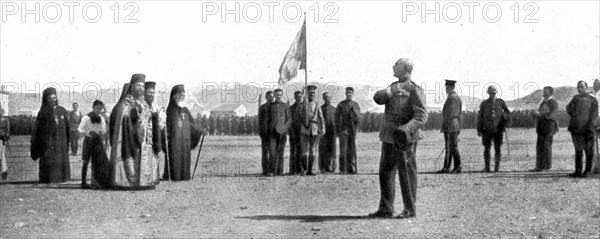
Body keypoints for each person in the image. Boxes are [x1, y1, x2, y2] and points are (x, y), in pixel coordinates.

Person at [369, 58, 427, 219]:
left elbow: (422, 115)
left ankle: (410, 209)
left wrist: (406, 129)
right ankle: (386, 208)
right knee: (385, 172)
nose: (393, 67)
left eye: (396, 65)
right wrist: (391, 91)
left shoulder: (415, 89)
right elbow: (378, 98)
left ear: (405, 68)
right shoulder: (393, 86)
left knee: (406, 173)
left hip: (405, 139)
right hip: (388, 136)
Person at [109, 74, 159, 189]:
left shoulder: (144, 103)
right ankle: (130, 182)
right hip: (129, 136)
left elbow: (148, 117)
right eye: (138, 85)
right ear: (132, 87)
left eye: (142, 86)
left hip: (145, 137)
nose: (140, 88)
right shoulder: (127, 103)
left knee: (144, 158)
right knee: (131, 160)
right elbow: (124, 117)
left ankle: (144, 181)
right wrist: (133, 115)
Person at [30, 87, 71, 183]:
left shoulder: (62, 110)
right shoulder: (42, 112)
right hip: (47, 143)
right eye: (49, 98)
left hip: (61, 142)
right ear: (45, 99)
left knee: (61, 159)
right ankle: (48, 179)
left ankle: (63, 178)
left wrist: (68, 141)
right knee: (48, 160)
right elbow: (37, 129)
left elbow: (67, 127)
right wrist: (36, 142)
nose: (52, 100)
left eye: (54, 98)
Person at [164, 84, 204, 181]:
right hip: (174, 142)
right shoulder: (170, 110)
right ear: (174, 96)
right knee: (174, 158)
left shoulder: (185, 110)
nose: (183, 97)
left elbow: (192, 124)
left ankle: (184, 176)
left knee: (184, 158)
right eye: (181, 95)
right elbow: (167, 126)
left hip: (185, 141)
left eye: (184, 96)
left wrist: (199, 130)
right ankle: (173, 176)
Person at [566, 81, 598, 177]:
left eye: (581, 86)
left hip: (588, 130)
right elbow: (568, 109)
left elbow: (594, 115)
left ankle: (587, 171)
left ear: (586, 87)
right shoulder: (575, 98)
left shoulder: (593, 100)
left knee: (589, 151)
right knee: (578, 150)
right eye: (578, 87)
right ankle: (578, 171)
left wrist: (590, 127)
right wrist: (576, 118)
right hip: (576, 129)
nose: (579, 88)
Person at [477, 86, 511, 172]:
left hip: (498, 130)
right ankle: (487, 167)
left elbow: (507, 113)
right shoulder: (484, 104)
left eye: (494, 92)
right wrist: (479, 129)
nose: (493, 94)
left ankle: (497, 167)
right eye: (491, 92)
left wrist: (504, 122)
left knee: (498, 149)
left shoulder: (501, 102)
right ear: (488, 93)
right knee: (486, 149)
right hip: (487, 130)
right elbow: (480, 117)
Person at [78, 100, 108, 188]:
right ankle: (83, 182)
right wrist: (87, 132)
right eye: (97, 108)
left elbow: (104, 129)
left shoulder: (101, 118)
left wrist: (102, 131)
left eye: (100, 108)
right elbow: (79, 129)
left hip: (98, 141)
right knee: (86, 161)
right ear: (93, 108)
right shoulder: (86, 117)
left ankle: (97, 182)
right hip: (88, 141)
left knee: (98, 161)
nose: (98, 110)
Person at [530, 86, 559, 172]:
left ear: (551, 93)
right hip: (541, 129)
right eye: (544, 92)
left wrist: (539, 114)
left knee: (546, 147)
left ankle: (547, 166)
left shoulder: (553, 103)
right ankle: (539, 166)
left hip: (549, 128)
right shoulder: (543, 103)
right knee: (539, 147)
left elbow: (552, 116)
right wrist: (534, 115)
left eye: (546, 92)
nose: (544, 93)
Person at [298, 85, 325, 175]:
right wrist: (303, 104)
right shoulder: (302, 105)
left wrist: (323, 128)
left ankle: (310, 170)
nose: (311, 94)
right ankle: (304, 169)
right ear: (307, 93)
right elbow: (299, 115)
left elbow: (321, 118)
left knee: (312, 150)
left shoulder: (317, 105)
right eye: (309, 93)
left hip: (314, 129)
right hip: (304, 129)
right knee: (304, 150)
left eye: (313, 93)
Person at [438, 80, 462, 173]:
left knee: (451, 146)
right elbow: (459, 113)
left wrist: (444, 125)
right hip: (455, 124)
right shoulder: (457, 98)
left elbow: (450, 114)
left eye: (447, 88)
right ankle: (448, 167)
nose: (446, 89)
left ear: (451, 87)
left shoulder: (451, 98)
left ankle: (454, 167)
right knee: (451, 146)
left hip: (450, 125)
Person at [335, 87, 361, 174]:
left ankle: (352, 169)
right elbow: (337, 119)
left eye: (350, 92)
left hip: (352, 131)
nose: (349, 94)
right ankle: (342, 169)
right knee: (343, 151)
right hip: (343, 130)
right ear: (345, 94)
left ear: (353, 94)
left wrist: (355, 117)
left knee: (352, 151)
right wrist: (338, 131)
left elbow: (359, 118)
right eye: (347, 93)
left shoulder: (356, 105)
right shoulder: (341, 105)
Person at [267, 89, 291, 176]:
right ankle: (271, 171)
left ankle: (280, 171)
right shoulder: (270, 106)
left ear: (282, 95)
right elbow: (267, 120)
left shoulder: (285, 106)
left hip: (282, 134)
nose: (278, 96)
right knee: (272, 152)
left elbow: (289, 119)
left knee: (280, 152)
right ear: (274, 95)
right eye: (277, 95)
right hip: (272, 134)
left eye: (280, 95)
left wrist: (284, 127)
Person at [144, 81, 165, 178]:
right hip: (144, 137)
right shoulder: (141, 105)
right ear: (144, 93)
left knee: (154, 156)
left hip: (154, 136)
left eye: (153, 93)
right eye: (149, 92)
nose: (151, 95)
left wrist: (163, 122)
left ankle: (154, 177)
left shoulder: (155, 107)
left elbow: (160, 123)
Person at [319, 92, 337, 173]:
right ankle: (323, 168)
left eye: (329, 97)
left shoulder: (334, 109)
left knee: (332, 150)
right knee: (323, 150)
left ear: (331, 98)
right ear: (323, 98)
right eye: (325, 97)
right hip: (323, 133)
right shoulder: (320, 109)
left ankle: (332, 167)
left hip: (332, 132)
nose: (327, 99)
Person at [258, 91, 274, 175]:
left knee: (272, 153)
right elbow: (260, 121)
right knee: (265, 153)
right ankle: (265, 170)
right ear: (266, 98)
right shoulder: (262, 107)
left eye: (272, 97)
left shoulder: (276, 107)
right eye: (269, 97)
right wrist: (261, 132)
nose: (271, 98)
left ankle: (271, 170)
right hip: (264, 134)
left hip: (273, 134)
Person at [289, 91, 303, 175]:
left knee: (301, 151)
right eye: (297, 97)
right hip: (293, 132)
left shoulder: (305, 107)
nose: (298, 98)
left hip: (302, 132)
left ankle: (300, 169)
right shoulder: (291, 108)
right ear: (294, 97)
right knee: (293, 150)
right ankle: (292, 169)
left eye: (300, 97)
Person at [591, 79, 600, 174]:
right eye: (594, 83)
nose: (595, 85)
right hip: (593, 121)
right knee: (594, 145)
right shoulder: (591, 96)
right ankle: (595, 167)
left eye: (597, 83)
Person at [0, 106, 9, 180]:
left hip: (1, 140)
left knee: (2, 156)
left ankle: (4, 171)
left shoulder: (5, 120)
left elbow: (7, 131)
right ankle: (4, 171)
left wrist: (5, 139)